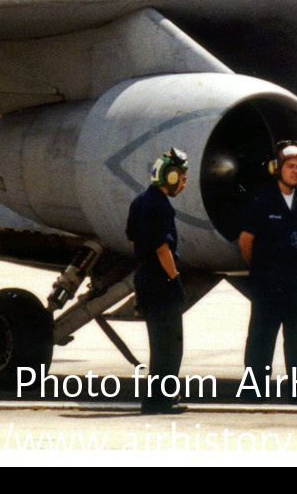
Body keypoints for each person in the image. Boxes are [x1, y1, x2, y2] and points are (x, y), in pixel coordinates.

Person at [239, 141, 297, 399]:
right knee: (262, 339)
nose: (294, 171)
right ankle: (254, 391)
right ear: (277, 169)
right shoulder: (262, 201)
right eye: (289, 166)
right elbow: (246, 242)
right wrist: (262, 270)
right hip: (268, 283)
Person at [126, 147, 189, 414]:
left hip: (145, 277)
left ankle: (157, 400)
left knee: (158, 344)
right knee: (170, 345)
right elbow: (163, 248)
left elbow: (132, 238)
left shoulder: (139, 201)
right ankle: (159, 403)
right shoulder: (161, 206)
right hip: (161, 280)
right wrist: (174, 279)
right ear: (170, 176)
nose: (184, 183)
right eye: (183, 178)